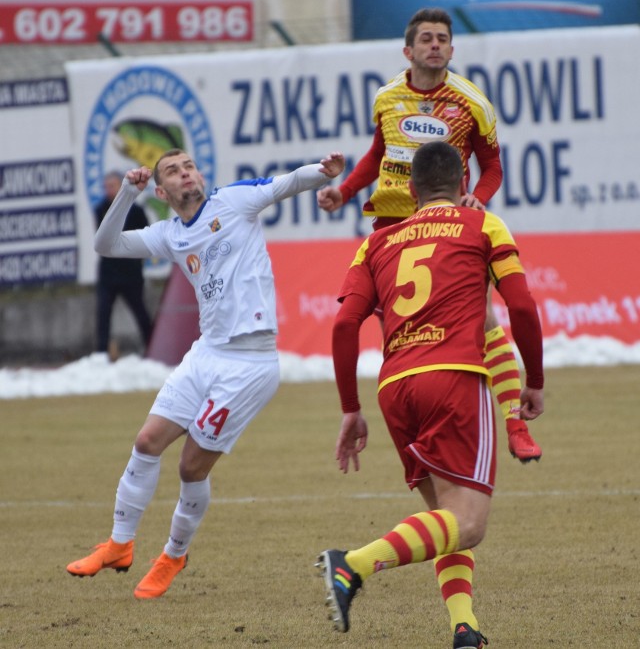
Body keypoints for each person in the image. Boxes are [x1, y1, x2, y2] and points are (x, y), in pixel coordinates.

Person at [67, 148, 345, 599]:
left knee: (191, 467)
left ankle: (174, 555)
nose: (186, 174)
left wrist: (322, 172)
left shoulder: (232, 202)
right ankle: (119, 545)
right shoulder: (168, 234)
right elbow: (106, 246)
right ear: (161, 191)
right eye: (174, 172)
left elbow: (285, 183)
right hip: (206, 354)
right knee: (145, 442)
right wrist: (127, 196)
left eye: (189, 166)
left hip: (251, 363)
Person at [317, 141, 544, 648]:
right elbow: (523, 309)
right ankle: (351, 565)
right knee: (468, 524)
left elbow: (344, 324)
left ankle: (464, 626)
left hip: (396, 389)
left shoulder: (375, 243)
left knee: (444, 517)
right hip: (455, 378)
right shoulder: (482, 224)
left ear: (411, 191)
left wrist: (350, 410)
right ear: (465, 185)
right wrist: (535, 382)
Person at [317, 7, 541, 464]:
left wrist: (477, 196)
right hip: (393, 227)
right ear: (409, 50)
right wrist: (344, 192)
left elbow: (493, 165)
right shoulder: (386, 98)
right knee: (403, 338)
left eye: (442, 38)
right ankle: (424, 438)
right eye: (426, 39)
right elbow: (377, 154)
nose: (435, 45)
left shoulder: (472, 102)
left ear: (452, 50)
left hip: (447, 223)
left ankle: (515, 423)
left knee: (483, 319)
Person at [95, 171, 153, 357]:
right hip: (108, 274)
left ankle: (151, 348)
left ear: (121, 186)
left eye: (112, 186)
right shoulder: (101, 209)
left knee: (140, 312)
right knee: (103, 315)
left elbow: (146, 237)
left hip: (130, 273)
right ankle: (101, 353)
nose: (108, 190)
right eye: (106, 187)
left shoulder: (136, 211)